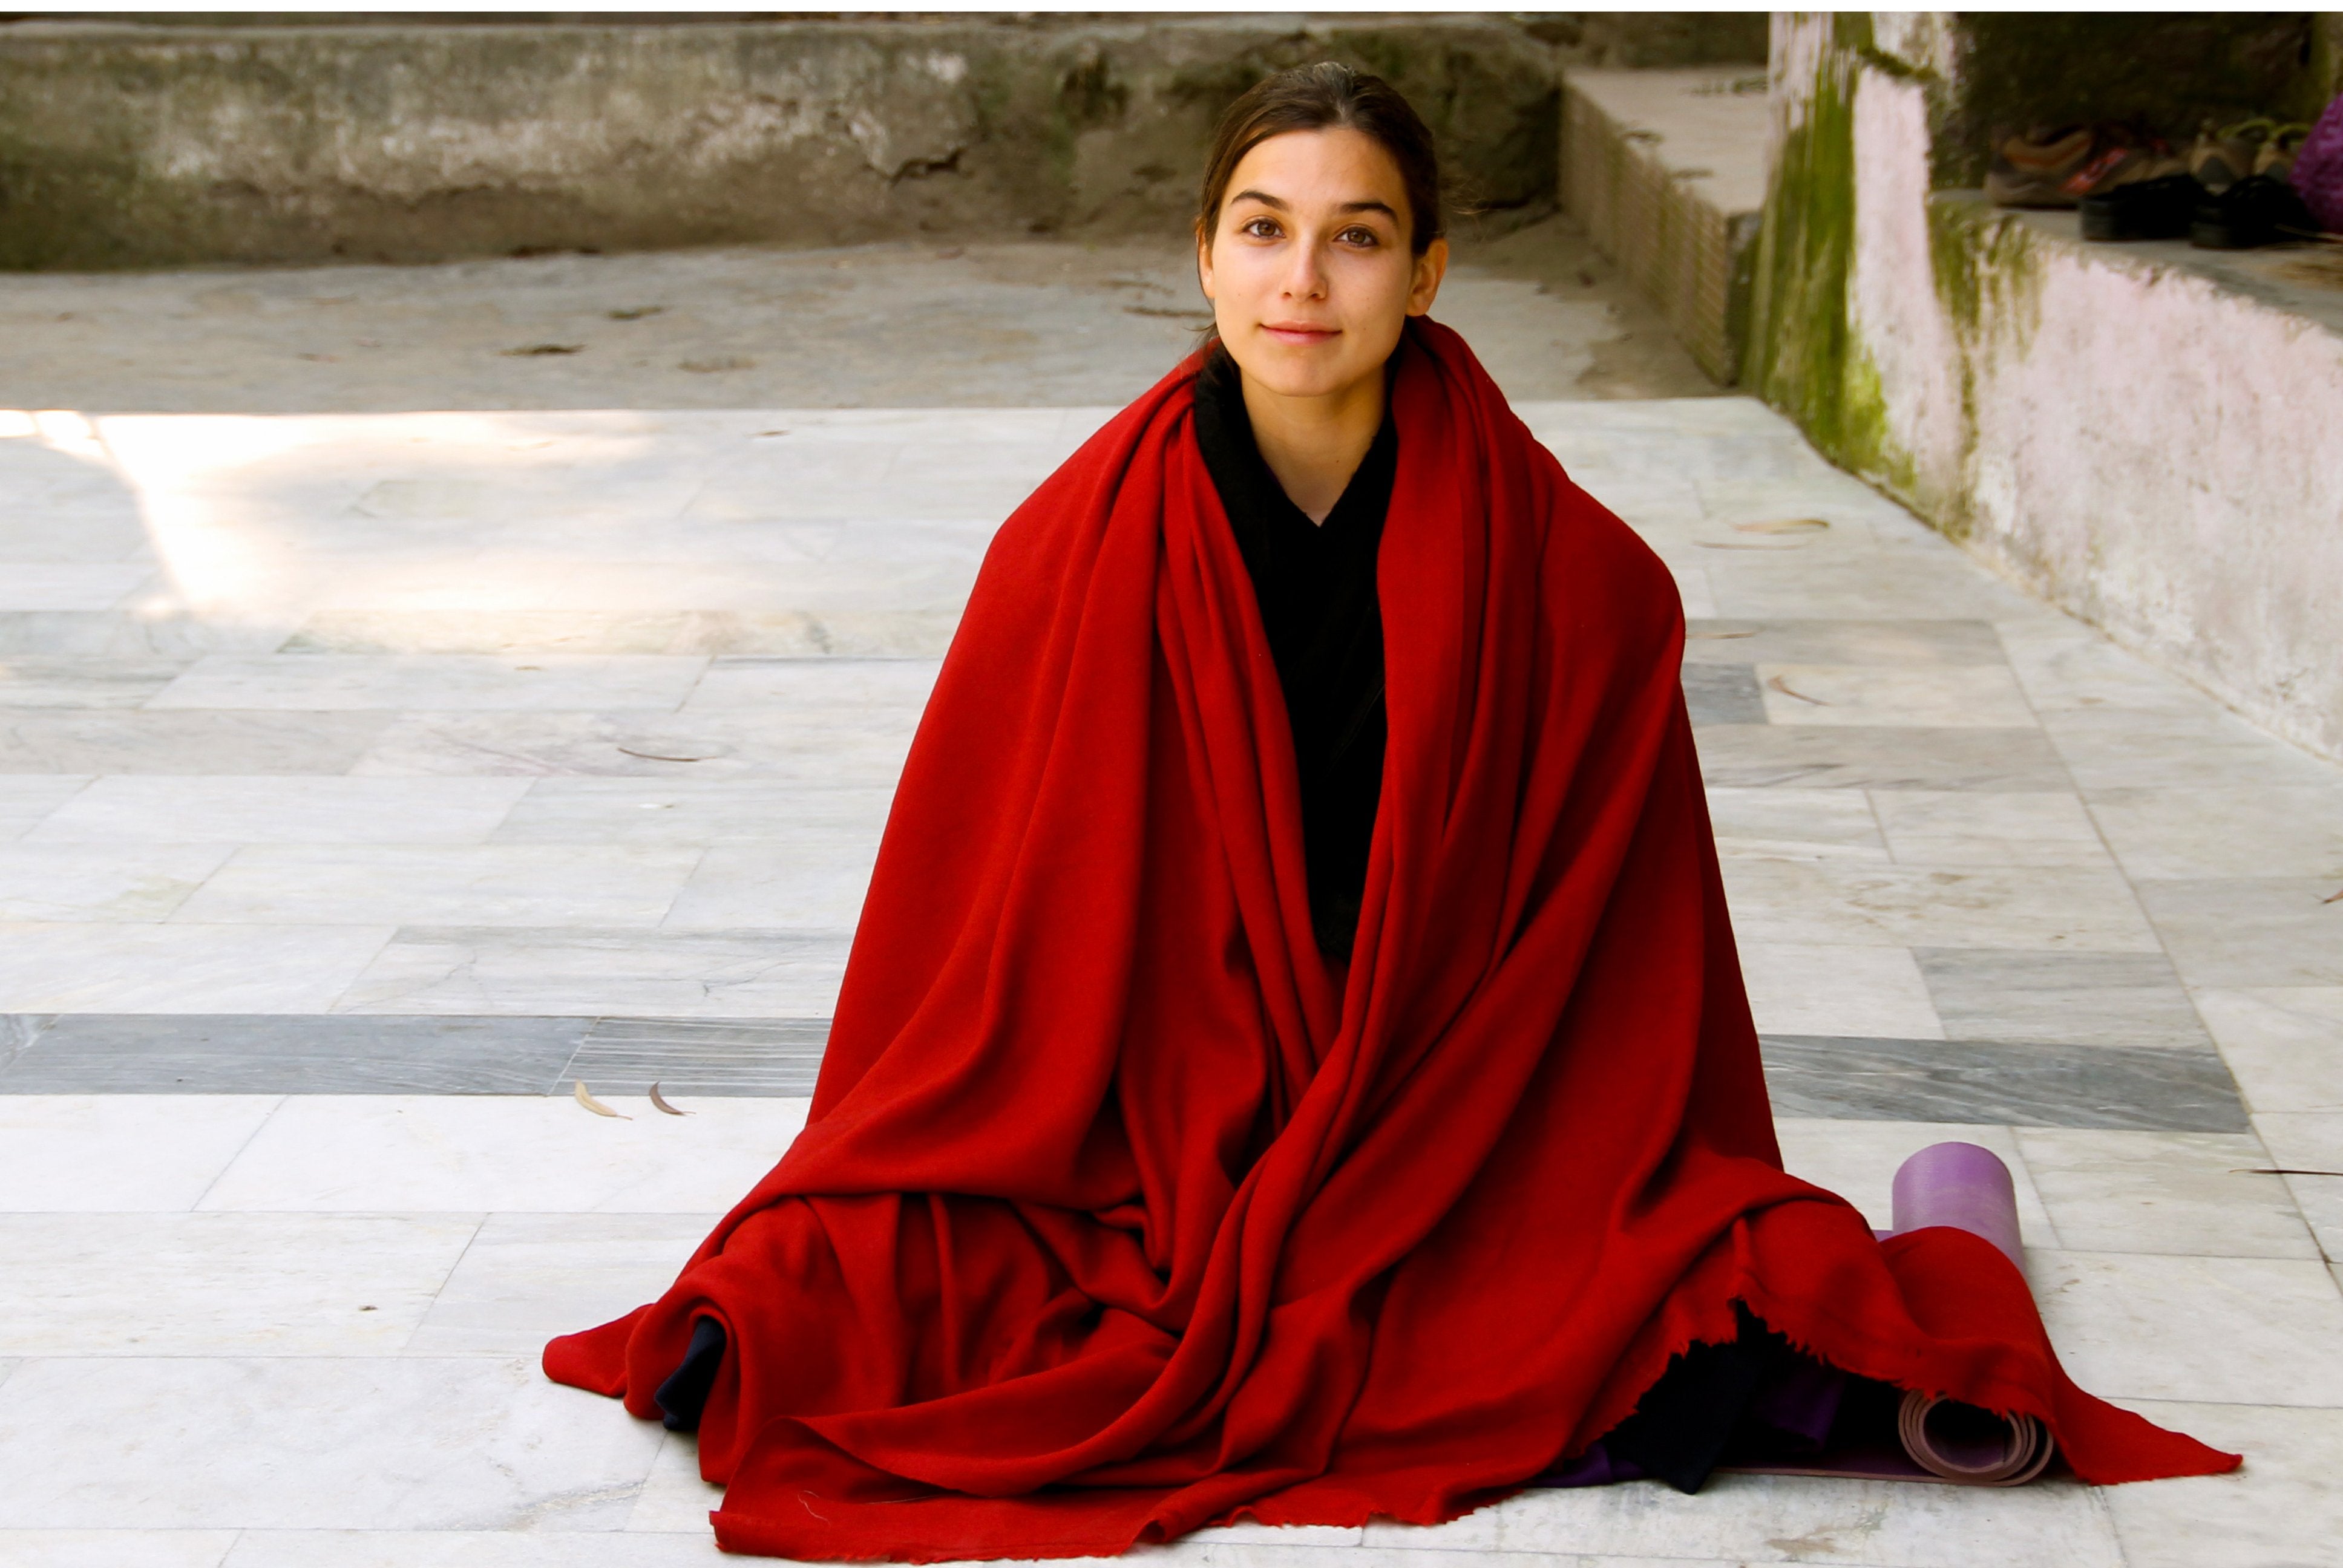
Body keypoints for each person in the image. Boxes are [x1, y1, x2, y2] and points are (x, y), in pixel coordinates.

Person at [543, 62, 2237, 1561]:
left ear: (1426, 272)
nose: (1303, 279)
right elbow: (978, 962)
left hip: (1462, 1126)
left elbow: (1621, 982)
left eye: (1356, 236)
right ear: (1203, 255)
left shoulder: (1578, 581)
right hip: (1149, 1130)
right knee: (786, 1315)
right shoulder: (1069, 553)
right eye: (1263, 229)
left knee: (1716, 1303)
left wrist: (1423, 1135)